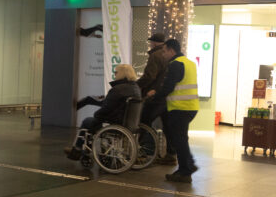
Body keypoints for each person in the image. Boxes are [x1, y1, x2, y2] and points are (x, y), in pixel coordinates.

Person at [148, 39, 199, 183]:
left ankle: (185, 172)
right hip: (190, 106)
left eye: (164, 51)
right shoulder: (189, 63)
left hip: (180, 107)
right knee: (181, 138)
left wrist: (154, 95)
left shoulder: (175, 64)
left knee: (179, 140)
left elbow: (168, 87)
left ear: (171, 51)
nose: (163, 54)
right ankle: (189, 165)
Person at [65, 64, 141, 160]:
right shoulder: (136, 89)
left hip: (115, 123)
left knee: (87, 121)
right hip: (130, 124)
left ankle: (77, 150)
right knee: (94, 121)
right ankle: (84, 149)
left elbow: (106, 108)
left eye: (116, 72)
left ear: (122, 73)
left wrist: (97, 115)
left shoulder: (117, 89)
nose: (114, 74)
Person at [137, 32, 176, 164]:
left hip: (155, 97)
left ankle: (143, 152)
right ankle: (171, 155)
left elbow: (149, 76)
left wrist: (136, 86)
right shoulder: (169, 56)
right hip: (167, 97)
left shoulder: (155, 55)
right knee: (167, 126)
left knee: (144, 122)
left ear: (153, 42)